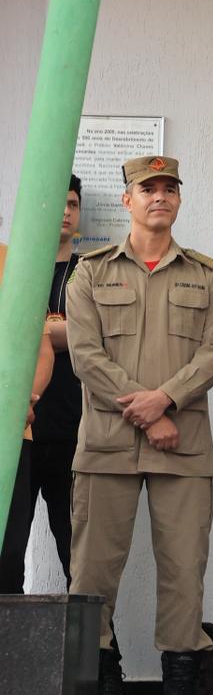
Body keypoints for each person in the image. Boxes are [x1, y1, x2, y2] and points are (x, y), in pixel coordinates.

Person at [66, 155, 213, 695]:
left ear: (179, 200)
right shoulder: (90, 273)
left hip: (182, 442)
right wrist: (145, 411)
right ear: (128, 200)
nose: (159, 196)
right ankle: (93, 680)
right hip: (108, 442)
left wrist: (165, 401)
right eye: (147, 189)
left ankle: (179, 686)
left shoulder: (206, 276)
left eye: (169, 189)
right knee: (92, 570)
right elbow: (85, 355)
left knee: (184, 568)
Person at [24, 174, 85, 585]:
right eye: (58, 202)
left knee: (78, 555)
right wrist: (59, 332)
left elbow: (92, 336)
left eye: (73, 204)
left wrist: (35, 332)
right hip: (22, 432)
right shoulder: (19, 269)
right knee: (9, 550)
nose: (65, 211)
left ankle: (97, 632)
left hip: (72, 431)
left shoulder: (90, 272)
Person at [0, 242, 55, 594]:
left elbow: (43, 351)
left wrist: (25, 399)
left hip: (11, 434)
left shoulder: (15, 259)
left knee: (7, 559)